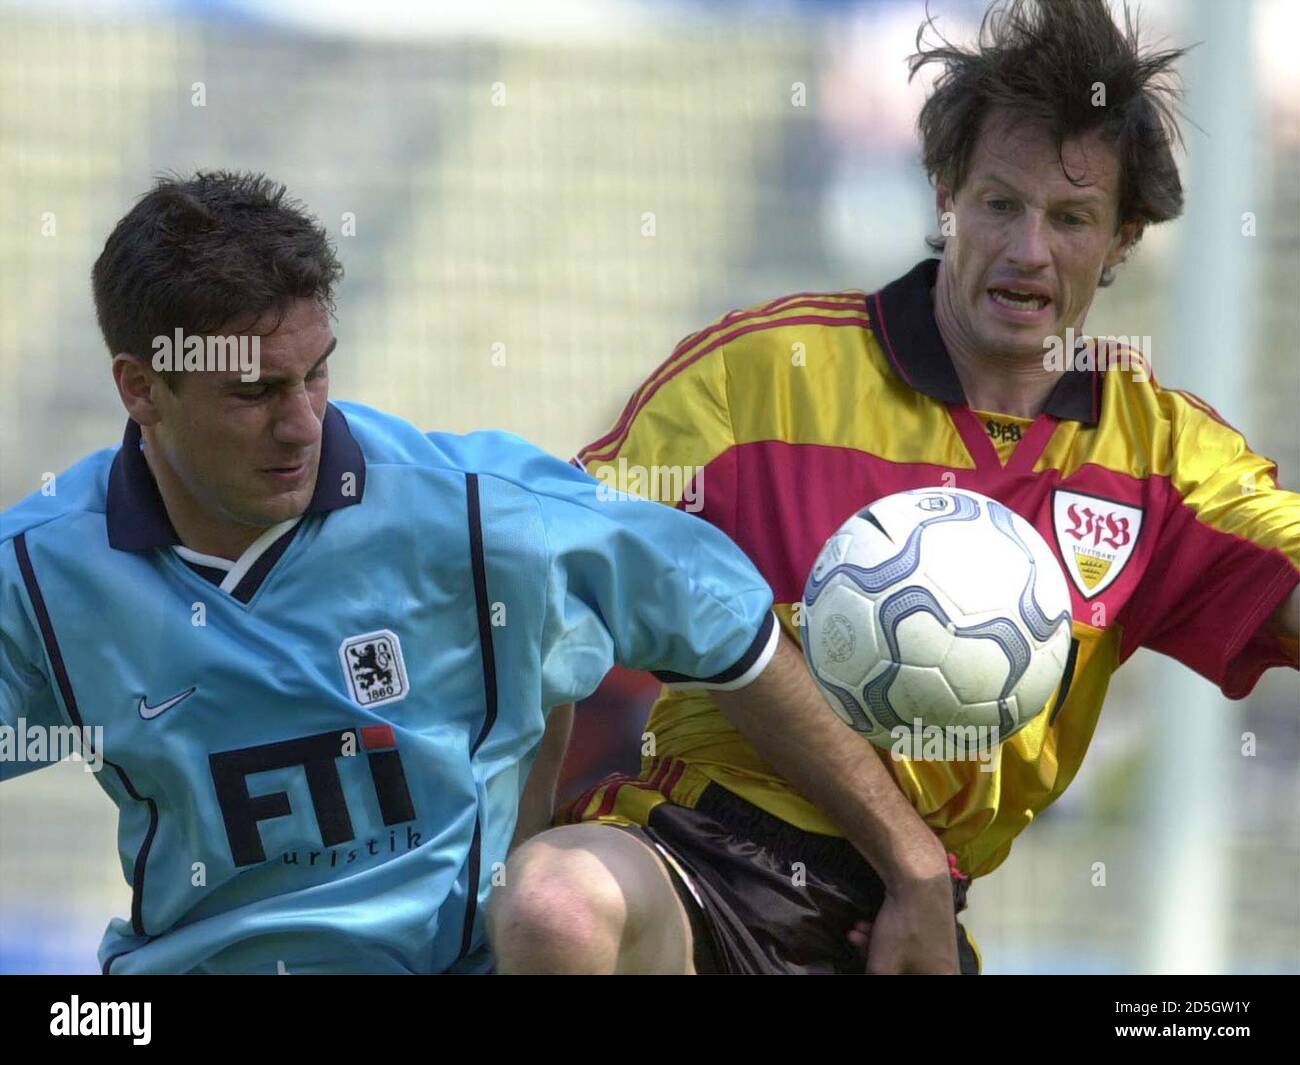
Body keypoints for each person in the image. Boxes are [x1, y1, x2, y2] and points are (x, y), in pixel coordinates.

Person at [488, 0, 1300, 975]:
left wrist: (917, 879)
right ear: (947, 195)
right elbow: (542, 591)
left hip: (905, 932)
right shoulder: (759, 377)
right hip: (696, 858)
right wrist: (503, 874)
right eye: (1000, 204)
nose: (1028, 249)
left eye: (1071, 218)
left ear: (1122, 240)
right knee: (556, 905)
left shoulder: (1165, 461)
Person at [0, 171, 883, 975]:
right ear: (142, 388)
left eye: (316, 376)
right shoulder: (41, 573)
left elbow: (732, 627)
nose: (303, 422)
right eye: (256, 392)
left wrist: (910, 866)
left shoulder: (476, 515)